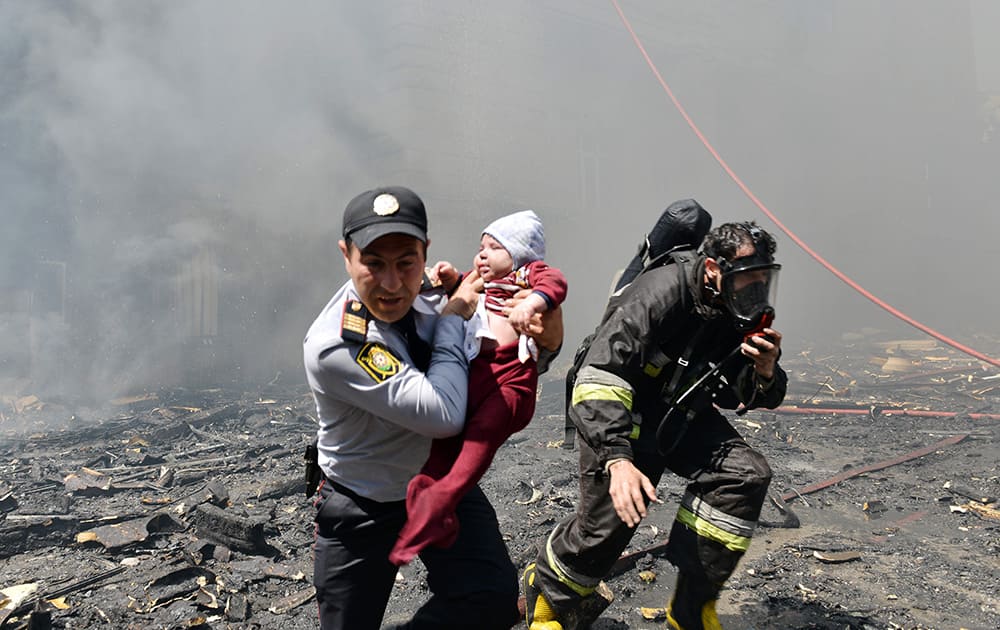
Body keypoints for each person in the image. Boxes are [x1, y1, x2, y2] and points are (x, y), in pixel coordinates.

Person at [303, 185, 562, 630]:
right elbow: (444, 416)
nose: (390, 283)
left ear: (424, 253)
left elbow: (501, 352)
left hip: (436, 481)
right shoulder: (337, 342)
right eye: (373, 263)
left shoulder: (435, 290)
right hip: (365, 499)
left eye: (406, 262)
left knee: (493, 600)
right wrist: (451, 319)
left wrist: (549, 340)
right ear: (346, 255)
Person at [522, 220, 788, 630]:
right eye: (746, 280)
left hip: (679, 412)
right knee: (607, 527)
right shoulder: (659, 293)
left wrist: (765, 371)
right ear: (714, 269)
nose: (754, 292)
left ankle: (691, 608)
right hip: (620, 412)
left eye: (762, 281)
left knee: (744, 475)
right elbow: (599, 375)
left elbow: (739, 395)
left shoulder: (735, 308)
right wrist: (617, 460)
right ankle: (546, 602)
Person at [389, 209, 568, 565]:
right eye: (481, 247)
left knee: (476, 438)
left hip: (502, 379)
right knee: (449, 439)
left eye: (493, 247)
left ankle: (443, 497)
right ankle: (431, 497)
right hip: (391, 455)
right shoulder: (364, 324)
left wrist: (543, 322)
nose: (482, 254)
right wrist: (453, 299)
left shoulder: (522, 276)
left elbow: (552, 291)